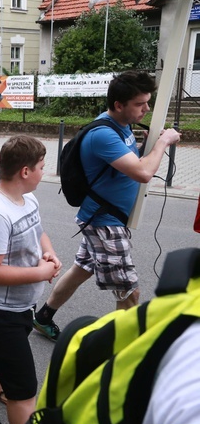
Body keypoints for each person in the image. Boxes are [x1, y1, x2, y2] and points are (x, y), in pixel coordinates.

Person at [33, 71, 183, 341]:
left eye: (148, 102)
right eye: (140, 104)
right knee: (129, 291)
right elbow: (143, 173)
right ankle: (124, 351)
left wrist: (147, 143)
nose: (146, 109)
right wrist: (162, 142)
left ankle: (43, 318)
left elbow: (129, 159)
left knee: (81, 270)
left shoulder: (122, 125)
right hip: (105, 223)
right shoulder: (103, 133)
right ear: (118, 105)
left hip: (104, 218)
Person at [0, 135, 61, 424]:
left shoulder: (27, 198)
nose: (43, 173)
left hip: (19, 307)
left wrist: (47, 252)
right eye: (41, 167)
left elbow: (37, 230)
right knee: (24, 391)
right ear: (24, 171)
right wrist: (40, 272)